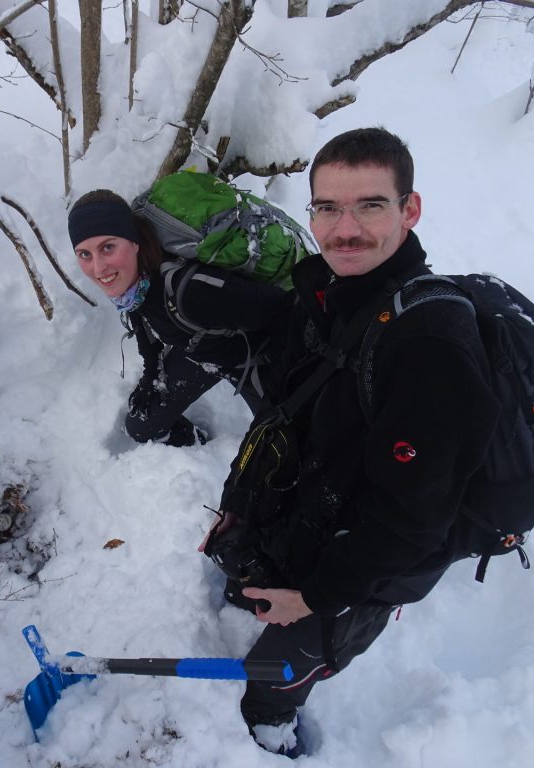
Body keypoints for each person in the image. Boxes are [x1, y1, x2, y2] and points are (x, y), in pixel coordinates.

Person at [200, 127, 500, 756]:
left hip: (371, 566)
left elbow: (411, 523)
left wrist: (314, 598)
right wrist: (243, 501)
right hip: (322, 509)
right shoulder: (324, 294)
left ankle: (273, 728)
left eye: (370, 205)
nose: (345, 229)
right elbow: (287, 411)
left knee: (276, 677)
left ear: (409, 210)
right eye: (328, 208)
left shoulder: (430, 341)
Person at [68, 190, 291, 446]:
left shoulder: (192, 291)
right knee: (142, 426)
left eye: (107, 247)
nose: (98, 268)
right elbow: (144, 326)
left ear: (134, 242)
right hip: (201, 351)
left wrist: (284, 390)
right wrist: (151, 375)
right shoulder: (133, 284)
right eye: (85, 254)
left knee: (283, 451)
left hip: (253, 360)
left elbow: (285, 310)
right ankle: (193, 442)